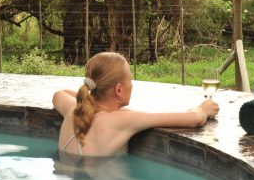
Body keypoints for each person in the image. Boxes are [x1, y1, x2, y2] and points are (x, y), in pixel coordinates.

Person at [52, 51, 219, 158]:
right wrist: (203, 108)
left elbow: (59, 94)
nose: (132, 85)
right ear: (119, 89)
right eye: (130, 80)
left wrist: (90, 99)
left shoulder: (73, 110)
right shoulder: (121, 120)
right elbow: (195, 119)